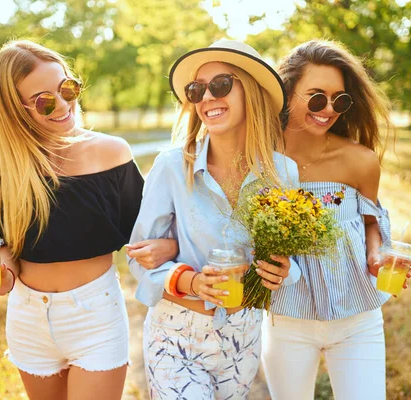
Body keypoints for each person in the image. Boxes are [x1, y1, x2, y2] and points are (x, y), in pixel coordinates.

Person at [0, 40, 177, 400]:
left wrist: (168, 246)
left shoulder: (111, 152)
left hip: (95, 316)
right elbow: (5, 244)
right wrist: (2, 276)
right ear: (16, 110)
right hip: (28, 318)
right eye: (44, 101)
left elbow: (151, 232)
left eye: (67, 89)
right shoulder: (3, 161)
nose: (63, 105)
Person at [126, 39, 302, 399]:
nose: (206, 97)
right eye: (196, 90)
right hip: (176, 336)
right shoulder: (172, 166)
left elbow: (293, 261)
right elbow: (139, 259)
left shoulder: (284, 172)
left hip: (244, 334)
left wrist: (285, 271)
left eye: (220, 85)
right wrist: (190, 281)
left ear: (250, 93)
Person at [261, 39, 411, 400]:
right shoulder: (261, 159)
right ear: (287, 94)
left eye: (339, 100)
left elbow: (370, 219)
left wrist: (377, 256)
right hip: (286, 320)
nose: (328, 109)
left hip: (356, 320)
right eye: (316, 97)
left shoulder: (359, 160)